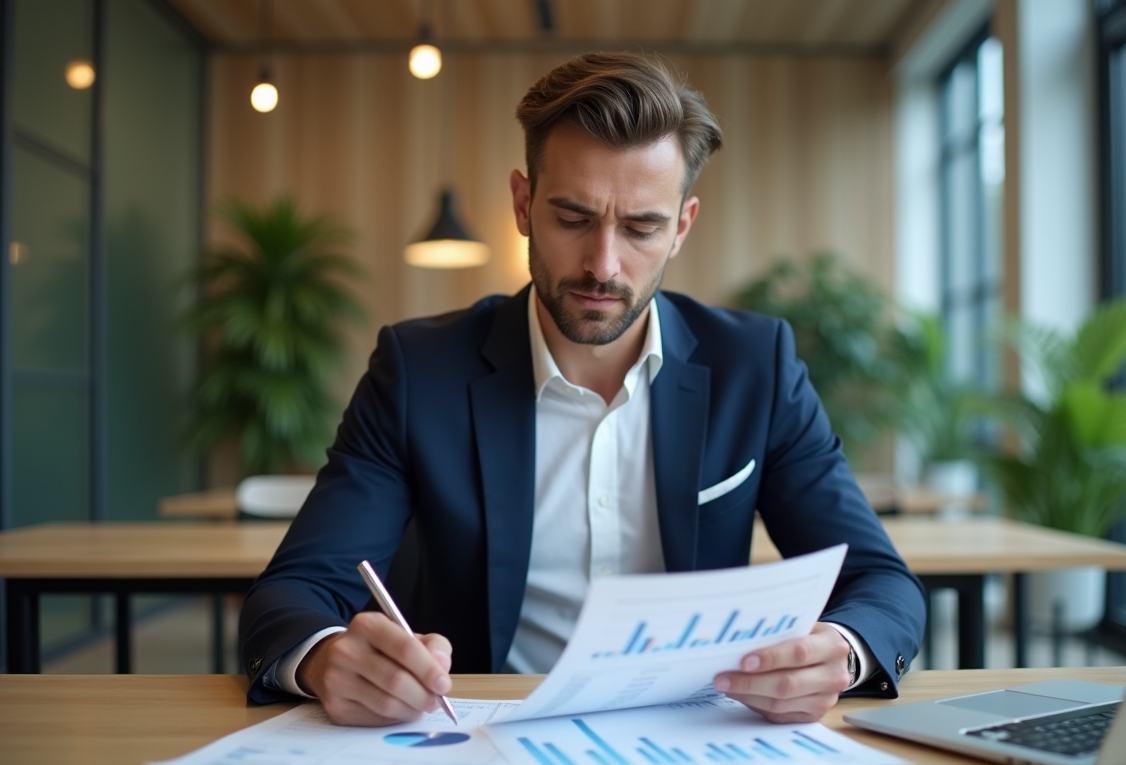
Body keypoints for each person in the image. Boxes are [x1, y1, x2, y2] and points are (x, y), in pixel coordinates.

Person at [240, 51, 926, 727]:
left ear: (682, 227)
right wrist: (325, 659)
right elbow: (295, 590)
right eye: (572, 219)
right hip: (480, 734)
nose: (603, 265)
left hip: (693, 736)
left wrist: (842, 651)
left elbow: (881, 583)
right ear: (523, 204)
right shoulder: (419, 370)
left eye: (642, 227)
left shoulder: (756, 366)